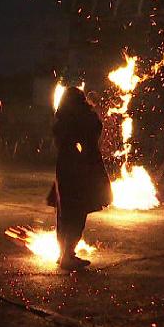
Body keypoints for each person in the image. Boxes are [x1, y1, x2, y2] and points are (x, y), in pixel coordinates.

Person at [47, 87, 111, 270]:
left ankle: (63, 254)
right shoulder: (82, 116)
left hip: (65, 165)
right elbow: (94, 129)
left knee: (65, 210)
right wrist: (89, 108)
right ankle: (68, 255)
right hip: (80, 166)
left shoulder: (61, 118)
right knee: (77, 210)